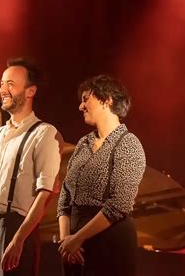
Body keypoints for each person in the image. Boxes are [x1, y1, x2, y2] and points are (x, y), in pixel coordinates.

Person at [0, 58, 63, 276]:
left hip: (17, 226)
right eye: (2, 83)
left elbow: (44, 195)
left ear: (30, 91)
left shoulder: (44, 134)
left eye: (10, 84)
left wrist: (18, 240)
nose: (2, 90)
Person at [57, 75, 146, 276]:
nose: (81, 106)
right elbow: (65, 197)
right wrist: (66, 241)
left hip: (109, 243)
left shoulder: (128, 144)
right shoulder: (83, 143)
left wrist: (77, 238)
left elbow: (119, 204)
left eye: (86, 99)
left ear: (107, 100)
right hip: (74, 247)